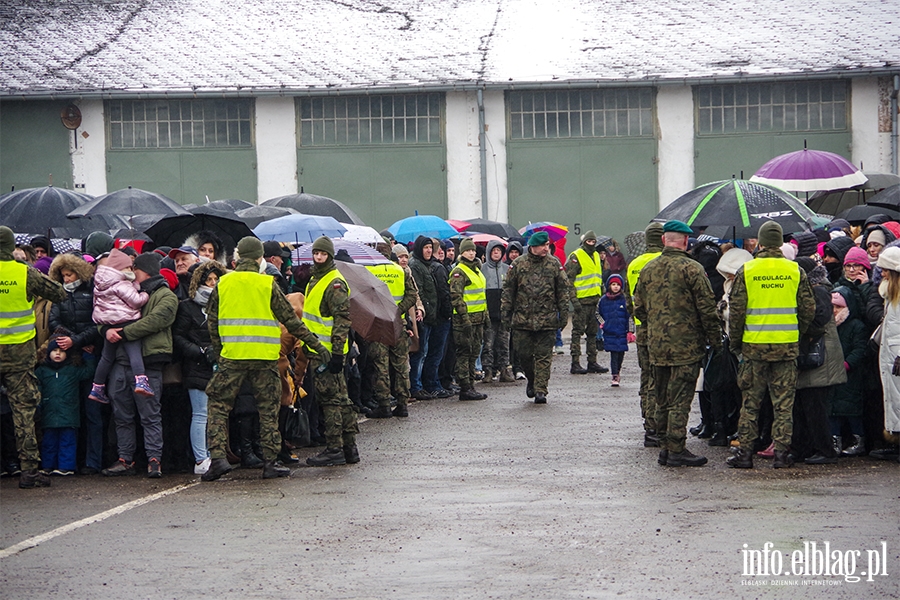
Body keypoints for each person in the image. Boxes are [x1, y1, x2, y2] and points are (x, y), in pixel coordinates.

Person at [202, 237, 331, 481]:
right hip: (265, 358)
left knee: (218, 406)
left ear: (238, 257)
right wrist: (317, 345)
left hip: (232, 358)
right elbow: (292, 321)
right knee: (268, 410)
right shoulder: (267, 284)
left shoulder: (223, 283)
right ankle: (270, 462)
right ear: (260, 258)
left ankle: (218, 459)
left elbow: (212, 323)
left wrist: (219, 353)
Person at [726, 221, 816, 470]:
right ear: (780, 243)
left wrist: (736, 344)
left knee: (751, 403)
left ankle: (744, 454)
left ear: (761, 242)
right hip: (786, 346)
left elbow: (737, 312)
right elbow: (809, 308)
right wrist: (798, 332)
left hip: (754, 347)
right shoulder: (795, 270)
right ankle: (780, 454)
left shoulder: (748, 270)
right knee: (783, 404)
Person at [633, 220, 722, 467]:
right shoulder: (692, 269)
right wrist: (716, 341)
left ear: (663, 240)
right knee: (680, 399)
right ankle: (676, 449)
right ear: (685, 241)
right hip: (686, 346)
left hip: (657, 345)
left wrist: (657, 327)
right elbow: (707, 310)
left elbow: (638, 308)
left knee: (661, 397)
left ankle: (664, 446)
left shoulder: (648, 269)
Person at [100, 252, 178, 478]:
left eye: (135, 268)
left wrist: (123, 333)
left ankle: (154, 460)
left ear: (144, 270)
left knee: (150, 415)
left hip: (149, 364)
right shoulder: (127, 290)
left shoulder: (166, 296)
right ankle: (126, 459)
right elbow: (104, 314)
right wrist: (106, 330)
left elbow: (156, 321)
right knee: (121, 416)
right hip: (121, 363)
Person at [1, 225, 67, 489]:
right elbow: (60, 293)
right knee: (23, 412)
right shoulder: (24, 273)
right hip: (18, 354)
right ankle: (29, 471)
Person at [300, 236, 360, 467]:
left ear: (330, 256)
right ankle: (349, 447)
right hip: (319, 349)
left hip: (327, 352)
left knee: (331, 401)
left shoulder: (334, 282)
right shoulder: (316, 279)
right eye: (316, 253)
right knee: (341, 399)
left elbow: (342, 319)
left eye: (323, 254)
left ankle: (335, 448)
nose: (318, 257)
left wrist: (336, 353)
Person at [48, 253, 105, 474]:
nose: (67, 279)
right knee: (70, 410)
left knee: (92, 411)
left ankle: (93, 461)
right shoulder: (59, 296)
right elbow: (54, 322)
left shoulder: (91, 294)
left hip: (89, 354)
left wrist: (77, 340)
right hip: (69, 355)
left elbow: (98, 321)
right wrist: (76, 342)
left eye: (69, 275)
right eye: (63, 276)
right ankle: (73, 460)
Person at [500, 231, 571, 404]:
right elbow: (508, 291)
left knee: (543, 357)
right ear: (533, 246)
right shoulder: (518, 265)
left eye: (548, 245)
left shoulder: (554, 264)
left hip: (547, 320)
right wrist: (505, 315)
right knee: (524, 355)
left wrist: (563, 315)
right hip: (522, 321)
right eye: (544, 245)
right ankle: (531, 379)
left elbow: (562, 290)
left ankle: (541, 390)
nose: (547, 248)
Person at [173, 260, 227, 475]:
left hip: (219, 364)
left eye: (215, 280)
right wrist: (200, 351)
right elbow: (178, 336)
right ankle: (200, 458)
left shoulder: (223, 304)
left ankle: (216, 454)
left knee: (217, 413)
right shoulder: (187, 306)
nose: (212, 284)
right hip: (197, 365)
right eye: (208, 280)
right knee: (201, 413)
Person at [88, 248, 153, 403]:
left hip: (108, 324)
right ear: (119, 268)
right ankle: (141, 381)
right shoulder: (120, 283)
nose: (131, 271)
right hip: (126, 321)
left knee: (106, 357)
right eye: (128, 268)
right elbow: (135, 301)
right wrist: (145, 294)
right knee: (134, 353)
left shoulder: (100, 283)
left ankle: (97, 387)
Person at [365, 255, 418, 418]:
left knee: (381, 366)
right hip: (398, 324)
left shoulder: (370, 271)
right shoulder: (401, 271)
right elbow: (412, 295)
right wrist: (398, 310)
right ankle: (402, 404)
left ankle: (384, 405)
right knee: (401, 365)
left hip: (379, 325)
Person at [36, 332, 96, 476]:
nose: (58, 354)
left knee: (67, 441)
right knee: (48, 442)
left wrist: (89, 356)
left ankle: (66, 466)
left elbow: (88, 371)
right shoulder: (42, 371)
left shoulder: (72, 369)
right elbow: (36, 388)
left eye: (62, 351)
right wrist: (38, 405)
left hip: (69, 413)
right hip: (49, 413)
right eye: (55, 351)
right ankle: (47, 465)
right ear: (48, 353)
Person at [627, 222, 663, 446]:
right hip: (662, 328)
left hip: (642, 326)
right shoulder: (662, 263)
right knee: (661, 378)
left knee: (646, 375)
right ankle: (658, 423)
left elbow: (630, 299)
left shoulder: (634, 265)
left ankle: (648, 422)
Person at [829, 286, 869, 457]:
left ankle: (858, 439)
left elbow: (860, 349)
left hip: (850, 374)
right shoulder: (829, 327)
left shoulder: (856, 326)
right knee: (833, 410)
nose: (834, 311)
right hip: (832, 372)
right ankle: (834, 440)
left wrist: (847, 364)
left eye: (838, 307)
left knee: (851, 409)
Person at [449, 238, 489, 400]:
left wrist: (485, 317)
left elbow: (481, 295)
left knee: (474, 353)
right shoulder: (460, 271)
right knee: (464, 353)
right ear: (462, 253)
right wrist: (464, 318)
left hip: (478, 319)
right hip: (464, 321)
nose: (471, 253)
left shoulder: (476, 270)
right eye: (467, 251)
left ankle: (471, 384)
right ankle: (465, 386)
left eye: (473, 250)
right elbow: (456, 297)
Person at [565, 231, 608, 375]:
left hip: (594, 301)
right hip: (581, 302)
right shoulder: (576, 256)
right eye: (589, 241)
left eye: (593, 241)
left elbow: (597, 276)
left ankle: (592, 361)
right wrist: (574, 300)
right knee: (577, 332)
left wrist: (602, 291)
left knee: (592, 333)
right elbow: (569, 280)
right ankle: (575, 363)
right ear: (584, 242)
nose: (591, 244)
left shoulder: (596, 255)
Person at [875, 246, 900, 454]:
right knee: (893, 398)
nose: (881, 273)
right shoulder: (890, 295)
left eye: (885, 270)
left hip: (896, 355)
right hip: (891, 355)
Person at [408, 236, 437, 399]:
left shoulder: (429, 265)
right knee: (419, 352)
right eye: (425, 247)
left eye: (430, 247)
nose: (429, 250)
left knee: (425, 352)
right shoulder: (416, 265)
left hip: (429, 315)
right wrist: (422, 308)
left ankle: (421, 384)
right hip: (421, 317)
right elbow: (418, 292)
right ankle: (415, 385)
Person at [481, 240, 513, 383]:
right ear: (488, 252)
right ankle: (488, 371)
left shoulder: (507, 269)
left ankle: (504, 370)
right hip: (489, 314)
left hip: (504, 314)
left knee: (504, 344)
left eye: (499, 251)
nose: (496, 253)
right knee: (488, 344)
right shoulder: (482, 270)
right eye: (493, 251)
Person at [599, 273, 629, 387]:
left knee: (621, 353)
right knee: (614, 354)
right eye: (613, 284)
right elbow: (598, 313)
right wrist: (603, 324)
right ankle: (614, 374)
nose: (615, 287)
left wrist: (630, 331)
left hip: (622, 331)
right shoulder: (604, 300)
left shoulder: (624, 299)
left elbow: (629, 316)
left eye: (617, 285)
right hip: (610, 331)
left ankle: (618, 371)